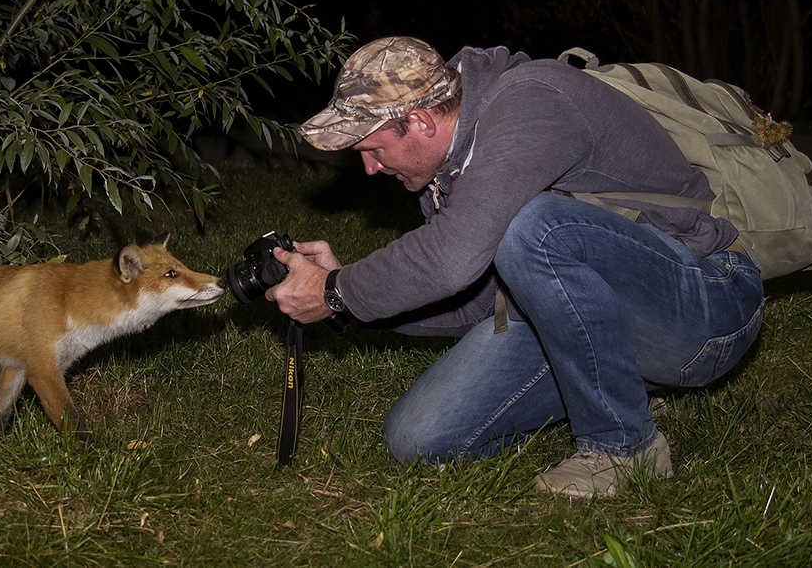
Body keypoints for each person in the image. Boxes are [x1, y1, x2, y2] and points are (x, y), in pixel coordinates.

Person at [267, 37, 765, 498]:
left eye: (373, 150)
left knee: (533, 227)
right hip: (595, 319)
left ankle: (623, 447)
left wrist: (338, 288)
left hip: (706, 304)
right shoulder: (451, 170)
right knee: (417, 438)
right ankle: (621, 382)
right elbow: (478, 299)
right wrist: (346, 306)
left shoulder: (533, 103)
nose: (371, 169)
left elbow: (453, 258)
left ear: (420, 120)